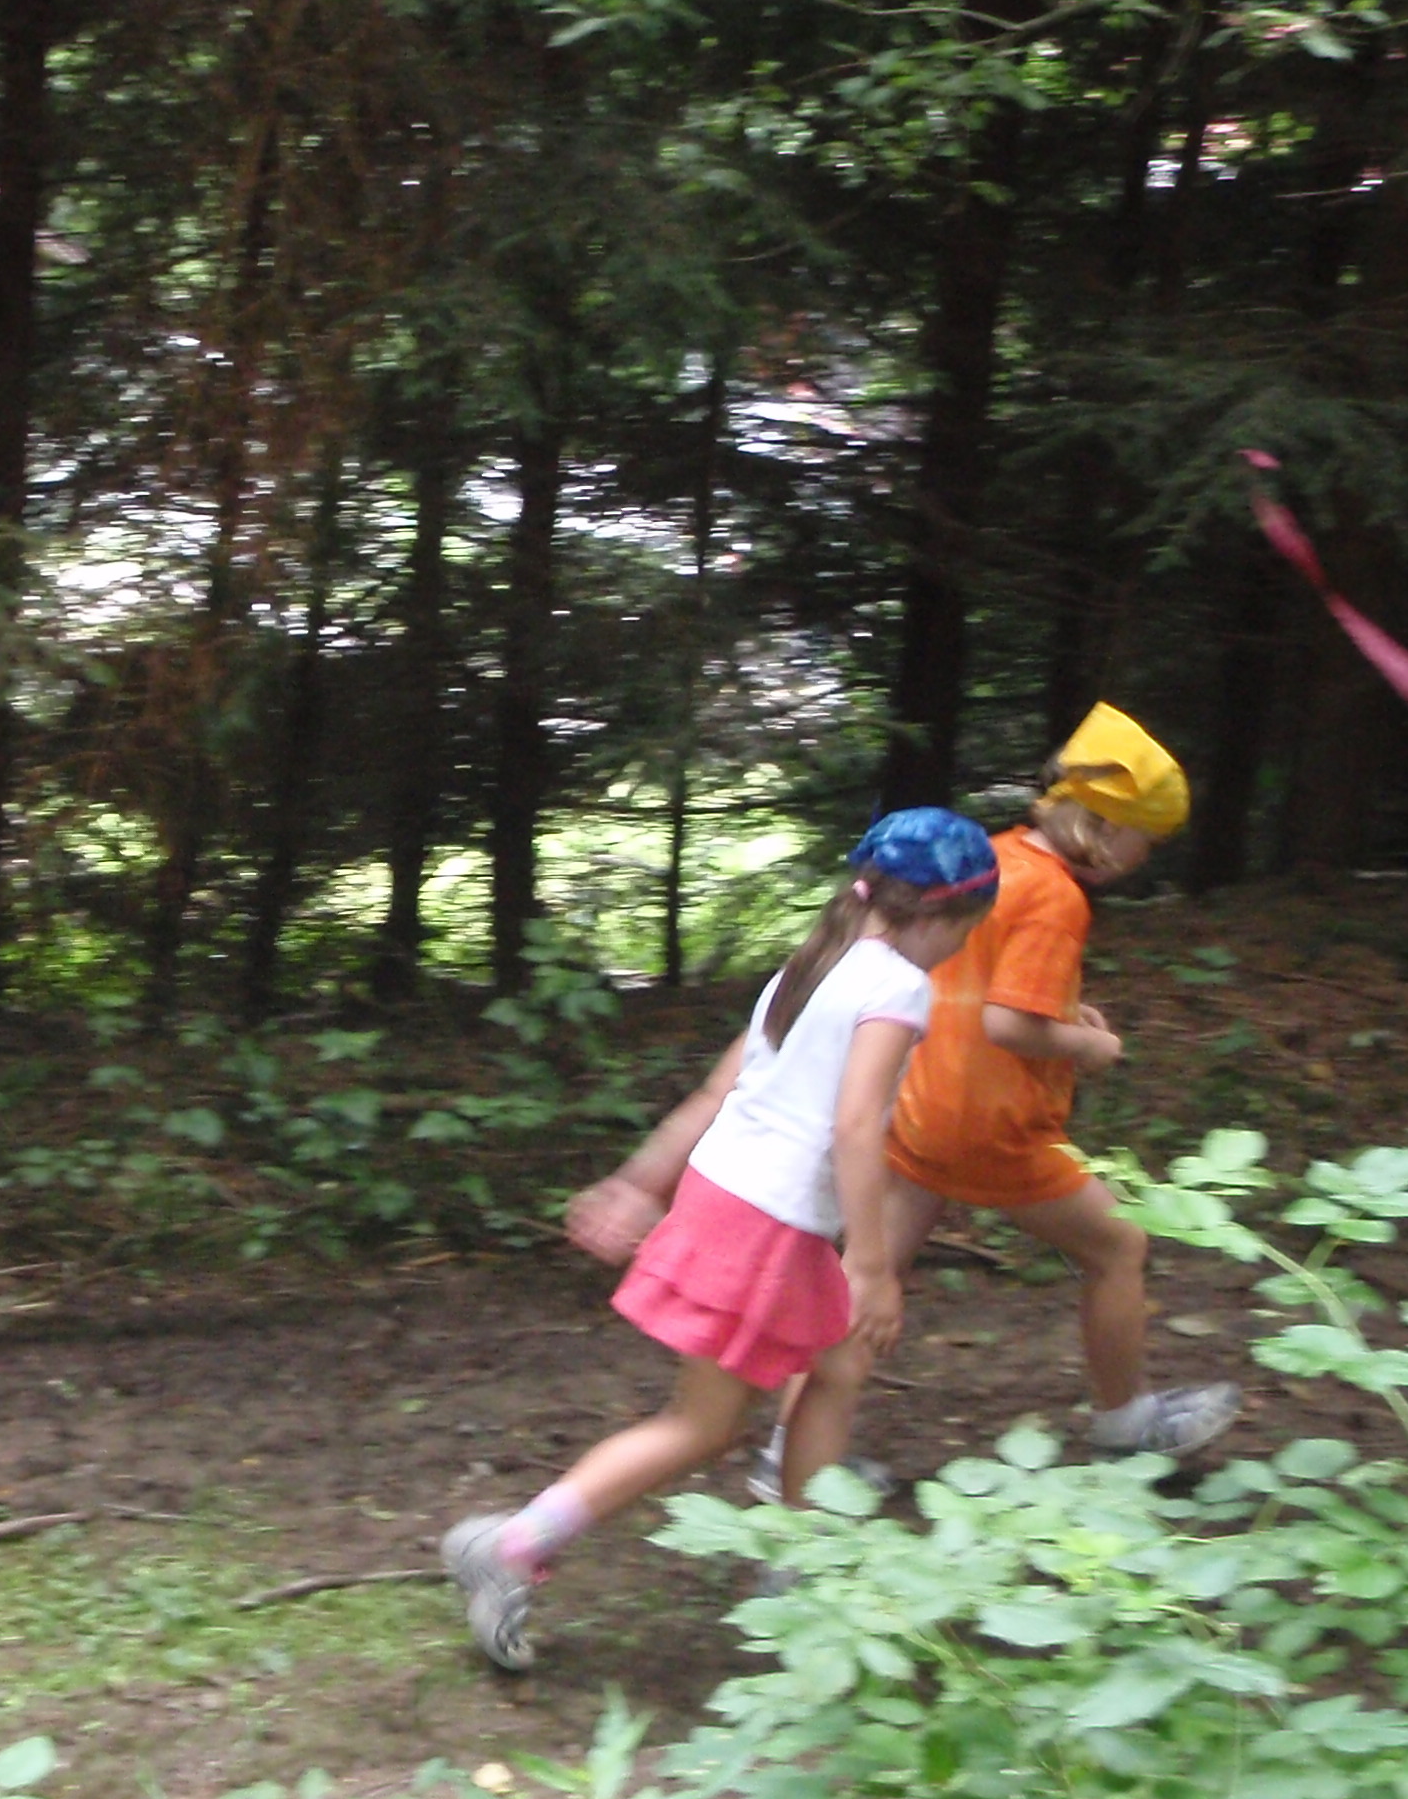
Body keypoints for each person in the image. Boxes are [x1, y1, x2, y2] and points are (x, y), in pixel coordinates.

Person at [438, 809, 1001, 1671]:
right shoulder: (896, 987)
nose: (960, 949)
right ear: (940, 916)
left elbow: (720, 1088)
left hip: (732, 1198)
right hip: (770, 1223)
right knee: (702, 1424)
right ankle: (513, 1545)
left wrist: (641, 1182)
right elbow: (857, 1127)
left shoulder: (815, 963)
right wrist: (872, 1264)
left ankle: (801, 1564)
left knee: (838, 1367)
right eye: (966, 931)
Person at [753, 703, 1238, 1504]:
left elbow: (981, 988)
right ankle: (1125, 1426)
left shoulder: (996, 859)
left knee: (867, 1282)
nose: (1145, 858)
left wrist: (1064, 1015)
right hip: (989, 1126)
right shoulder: (1058, 897)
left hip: (922, 1106)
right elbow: (1008, 1022)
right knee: (1118, 1247)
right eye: (1146, 841)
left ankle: (788, 1456)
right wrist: (1087, 1046)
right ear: (1108, 827)